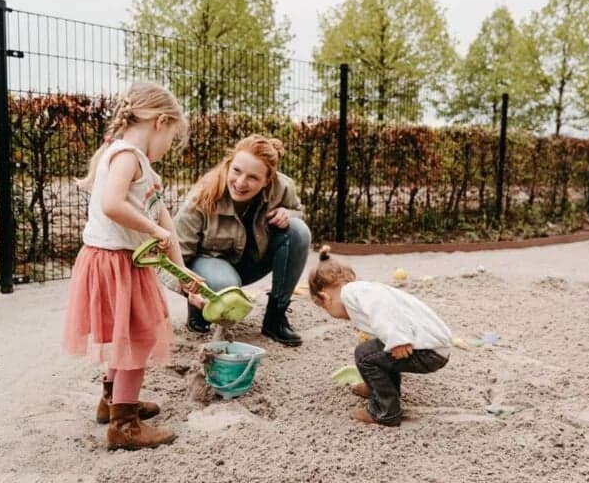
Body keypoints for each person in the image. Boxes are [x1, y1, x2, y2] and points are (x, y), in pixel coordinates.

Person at [63, 82, 201, 450]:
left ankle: (113, 401)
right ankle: (125, 425)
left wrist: (183, 273)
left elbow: (163, 219)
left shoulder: (132, 159)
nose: (169, 147)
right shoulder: (127, 156)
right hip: (116, 261)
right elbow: (112, 205)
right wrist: (153, 230)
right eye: (172, 137)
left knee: (128, 334)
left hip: (122, 260)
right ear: (161, 122)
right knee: (140, 337)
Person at [166, 134, 311, 346]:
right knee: (226, 285)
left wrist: (289, 214)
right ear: (229, 164)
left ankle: (275, 318)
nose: (241, 183)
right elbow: (173, 259)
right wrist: (189, 289)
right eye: (236, 171)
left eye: (253, 177)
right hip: (210, 269)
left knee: (298, 231)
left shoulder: (282, 187)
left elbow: (299, 212)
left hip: (253, 260)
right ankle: (199, 311)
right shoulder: (202, 197)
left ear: (267, 180)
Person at [308, 246, 452, 427]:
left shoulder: (350, 292)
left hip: (427, 350)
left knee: (364, 355)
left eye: (325, 309)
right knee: (375, 351)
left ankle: (385, 412)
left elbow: (383, 307)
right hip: (433, 347)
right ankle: (379, 390)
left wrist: (398, 339)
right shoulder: (362, 291)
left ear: (325, 297)